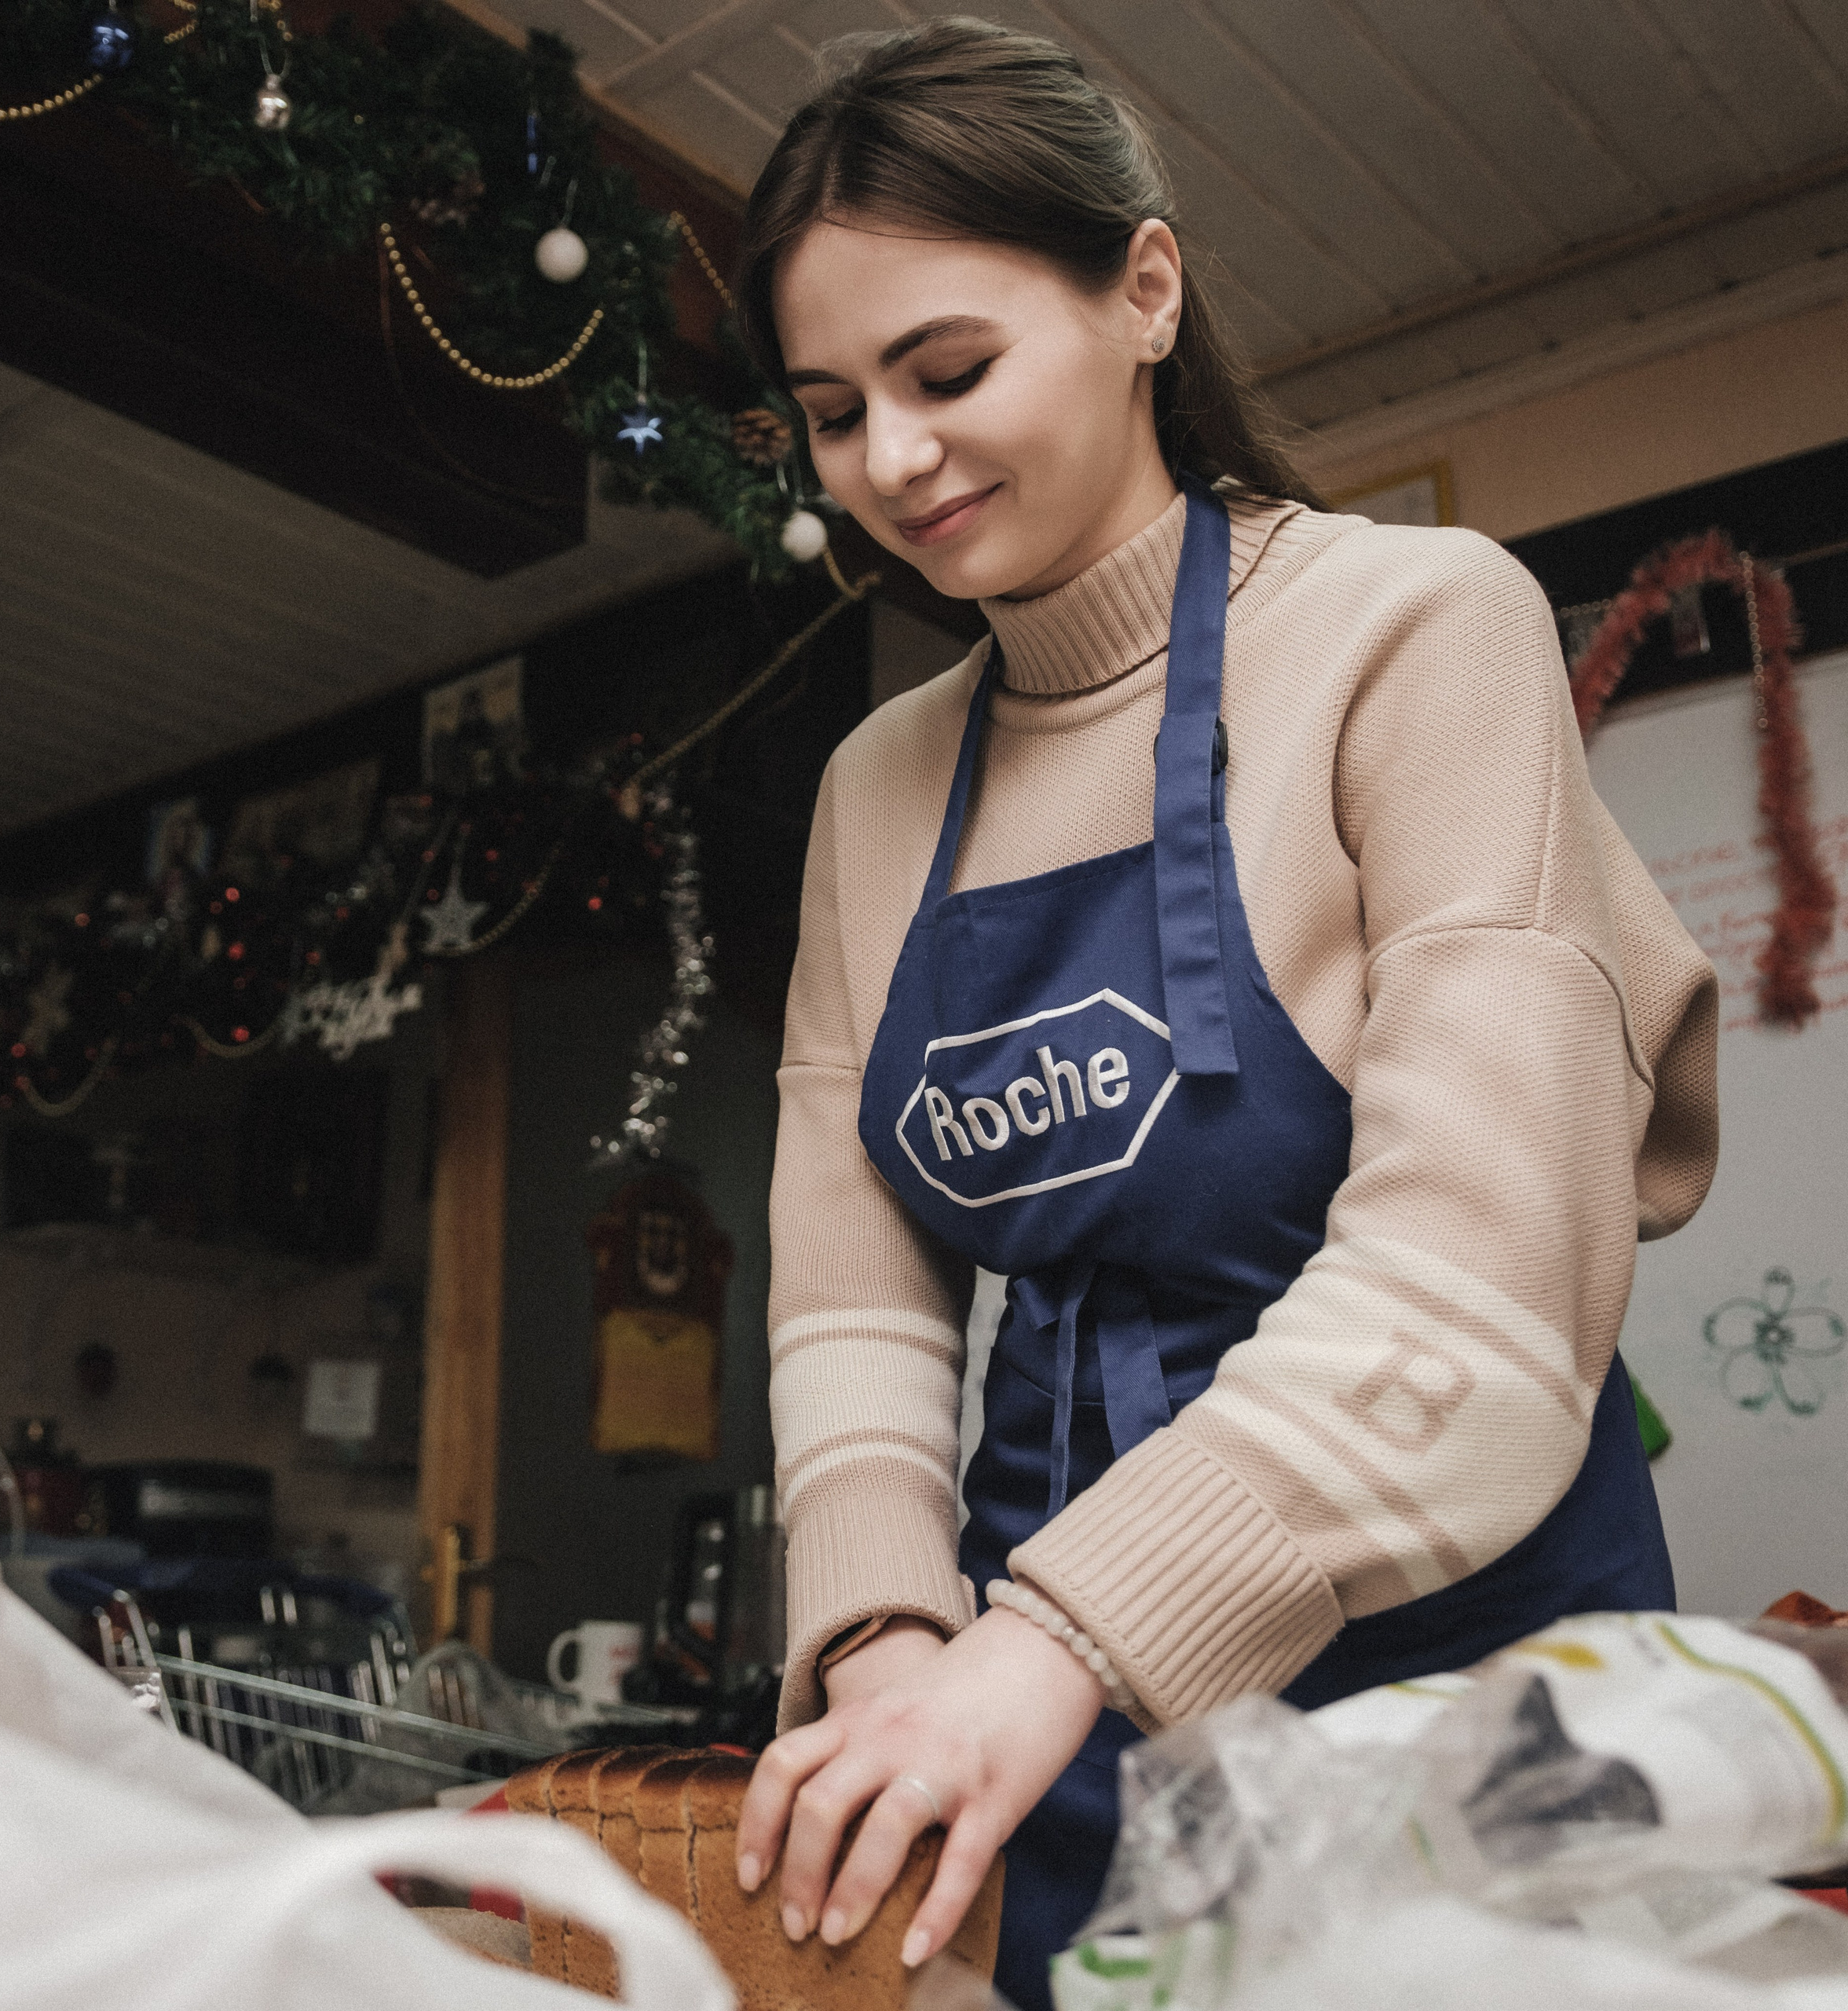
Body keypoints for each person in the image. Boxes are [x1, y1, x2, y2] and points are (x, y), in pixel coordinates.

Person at [730, 20, 1719, 2011]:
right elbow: (853, 1303)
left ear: (1145, 292)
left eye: (945, 372)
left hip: (1453, 1669)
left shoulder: (1409, 628)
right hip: (1037, 1693)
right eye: (831, 413)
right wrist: (887, 1646)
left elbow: (1482, 1269)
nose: (889, 461)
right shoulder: (874, 788)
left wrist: (1054, 1643)